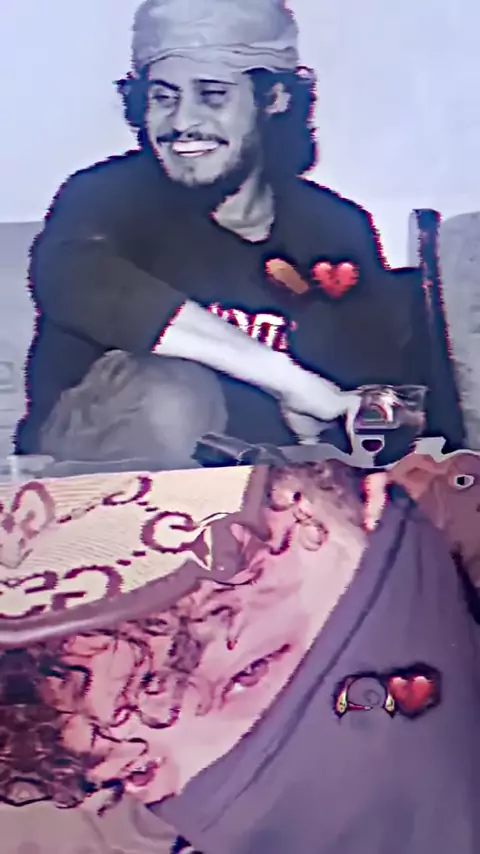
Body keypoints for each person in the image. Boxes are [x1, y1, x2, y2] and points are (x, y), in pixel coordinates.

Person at [16, 0, 418, 465]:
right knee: (172, 393)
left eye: (212, 95)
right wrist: (289, 381)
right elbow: (79, 281)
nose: (181, 122)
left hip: (265, 473)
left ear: (274, 99)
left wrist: (332, 420)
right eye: (163, 98)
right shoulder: (106, 195)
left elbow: (369, 381)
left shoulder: (335, 226)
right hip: (96, 470)